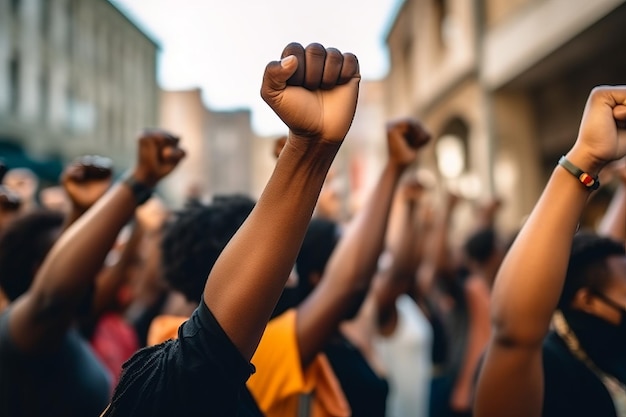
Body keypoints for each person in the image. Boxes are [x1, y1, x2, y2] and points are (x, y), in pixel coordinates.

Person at [100, 41, 361, 417]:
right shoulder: (177, 383)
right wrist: (308, 150)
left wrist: (311, 152)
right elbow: (349, 281)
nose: (288, 264)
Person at [0, 132, 185, 417]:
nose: (97, 264)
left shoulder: (70, 328)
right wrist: (137, 182)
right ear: (37, 269)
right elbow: (54, 292)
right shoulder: (24, 333)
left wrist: (80, 209)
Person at [474, 85, 626, 417]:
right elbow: (515, 335)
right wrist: (586, 156)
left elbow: (605, 253)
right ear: (587, 301)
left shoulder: (606, 348)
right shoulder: (549, 366)